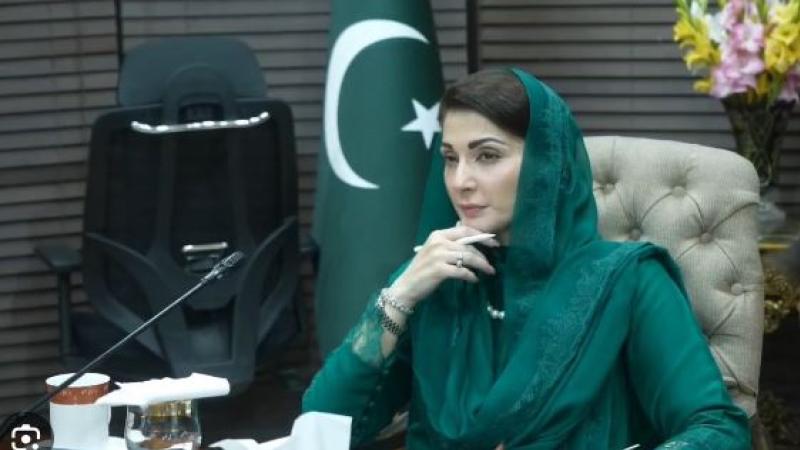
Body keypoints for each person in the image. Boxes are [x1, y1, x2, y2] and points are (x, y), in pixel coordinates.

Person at [302, 68, 751, 449]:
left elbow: (717, 430)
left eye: (487, 156)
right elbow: (323, 427)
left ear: (545, 163)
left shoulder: (627, 281)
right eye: (450, 158)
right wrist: (399, 295)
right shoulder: (436, 278)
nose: (460, 181)